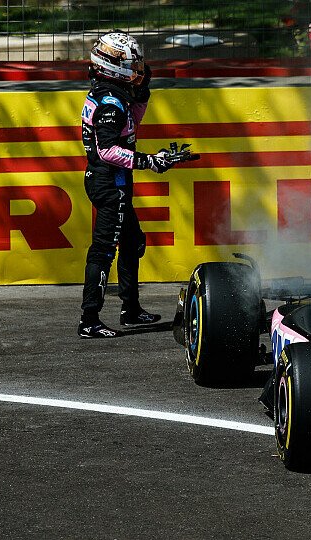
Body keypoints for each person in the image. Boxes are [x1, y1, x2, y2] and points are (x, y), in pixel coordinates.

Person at [77, 31, 190, 338]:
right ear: (113, 64)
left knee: (132, 242)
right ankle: (89, 320)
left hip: (115, 181)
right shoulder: (110, 102)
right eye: (133, 63)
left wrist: (143, 88)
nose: (139, 68)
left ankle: (130, 310)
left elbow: (133, 123)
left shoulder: (112, 93)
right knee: (103, 251)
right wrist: (151, 161)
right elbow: (107, 151)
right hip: (109, 182)